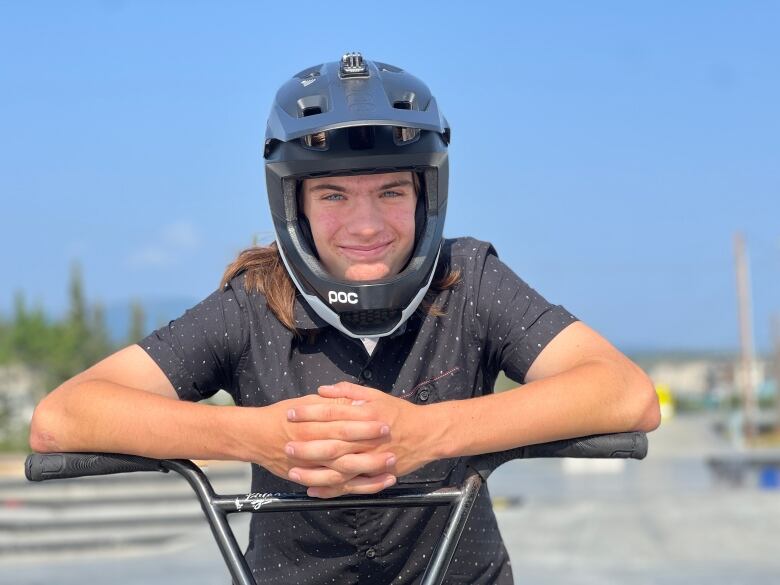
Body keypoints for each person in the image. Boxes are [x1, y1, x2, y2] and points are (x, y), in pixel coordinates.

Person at [30, 52, 660, 584]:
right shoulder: (255, 301)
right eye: (333, 195)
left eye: (391, 192)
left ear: (426, 196)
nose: (365, 225)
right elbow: (63, 418)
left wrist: (428, 435)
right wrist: (254, 437)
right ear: (294, 206)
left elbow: (626, 394)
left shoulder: (468, 282)